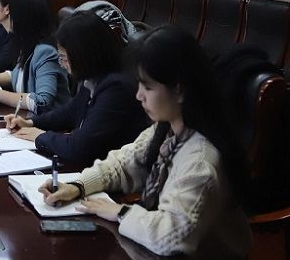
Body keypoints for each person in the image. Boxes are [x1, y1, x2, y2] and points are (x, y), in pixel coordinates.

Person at [40, 26, 251, 257]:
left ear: (179, 90)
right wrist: (77, 186)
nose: (139, 95)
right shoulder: (166, 130)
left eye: (148, 87)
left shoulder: (200, 162)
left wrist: (120, 212)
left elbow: (171, 237)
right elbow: (121, 164)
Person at [4, 12, 149, 167]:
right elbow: (69, 112)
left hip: (111, 173)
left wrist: (41, 136)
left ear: (82, 55)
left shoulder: (116, 89)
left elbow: (80, 148)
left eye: (63, 57)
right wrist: (31, 122)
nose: (62, 64)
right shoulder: (93, 79)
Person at [0, 0, 70, 115]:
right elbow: (19, 75)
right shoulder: (25, 42)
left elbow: (42, 102)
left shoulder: (45, 51)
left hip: (48, 123)